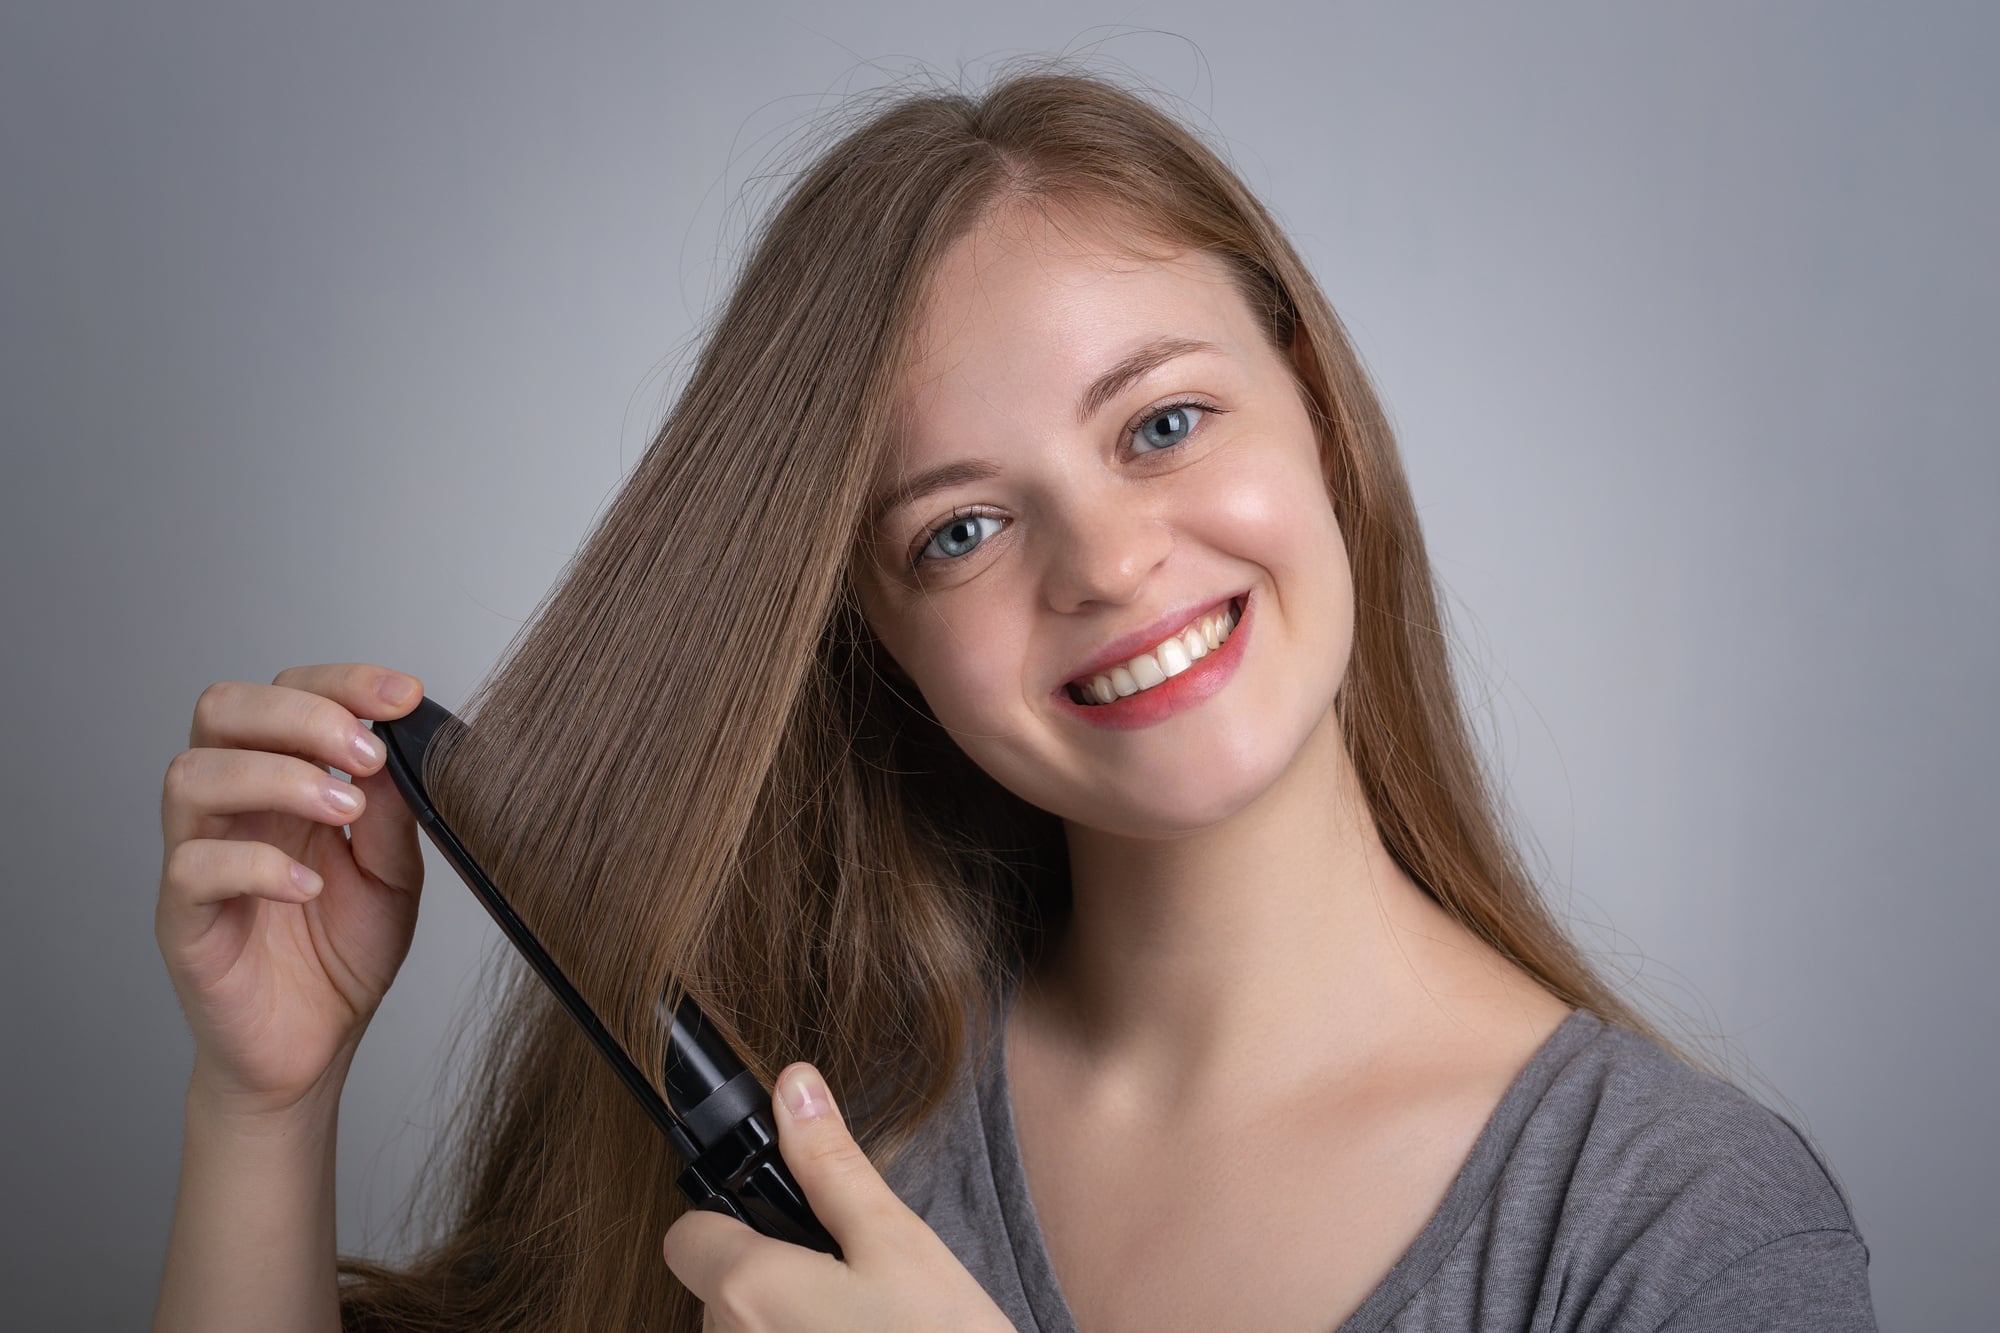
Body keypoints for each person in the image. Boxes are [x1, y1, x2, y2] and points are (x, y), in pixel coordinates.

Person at [152, 63, 1877, 1332]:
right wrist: (266, 1106)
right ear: (876, 632)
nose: (1108, 561)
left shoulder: (1679, 1228)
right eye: (960, 528)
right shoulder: (817, 1101)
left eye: (1163, 423)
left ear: (1318, 414)